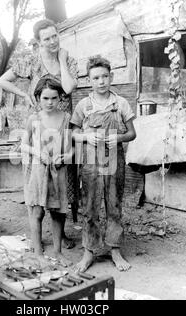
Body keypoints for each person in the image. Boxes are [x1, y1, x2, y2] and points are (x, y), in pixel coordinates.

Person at [0, 18, 79, 249]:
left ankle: (59, 235)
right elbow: (2, 80)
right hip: (39, 128)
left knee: (63, 182)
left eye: (55, 36)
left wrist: (61, 59)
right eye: (47, 38)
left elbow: (69, 88)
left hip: (62, 128)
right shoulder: (31, 62)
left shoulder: (69, 60)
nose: (53, 41)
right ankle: (37, 236)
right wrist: (23, 95)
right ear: (38, 41)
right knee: (38, 180)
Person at [70, 56, 136, 272]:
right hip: (90, 164)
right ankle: (89, 252)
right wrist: (86, 137)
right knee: (89, 207)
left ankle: (115, 250)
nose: (101, 81)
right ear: (89, 80)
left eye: (105, 76)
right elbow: (73, 133)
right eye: (96, 77)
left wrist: (118, 137)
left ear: (111, 77)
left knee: (114, 206)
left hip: (115, 163)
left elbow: (132, 133)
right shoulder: (84, 105)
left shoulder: (121, 104)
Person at [21, 78, 73, 267]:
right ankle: (38, 253)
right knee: (37, 211)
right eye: (45, 98)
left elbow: (70, 148)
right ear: (37, 98)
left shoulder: (66, 118)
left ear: (60, 98)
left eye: (54, 98)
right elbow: (23, 145)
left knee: (58, 212)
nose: (49, 102)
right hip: (38, 169)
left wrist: (65, 157)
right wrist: (38, 152)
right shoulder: (33, 119)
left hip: (58, 170)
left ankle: (58, 252)